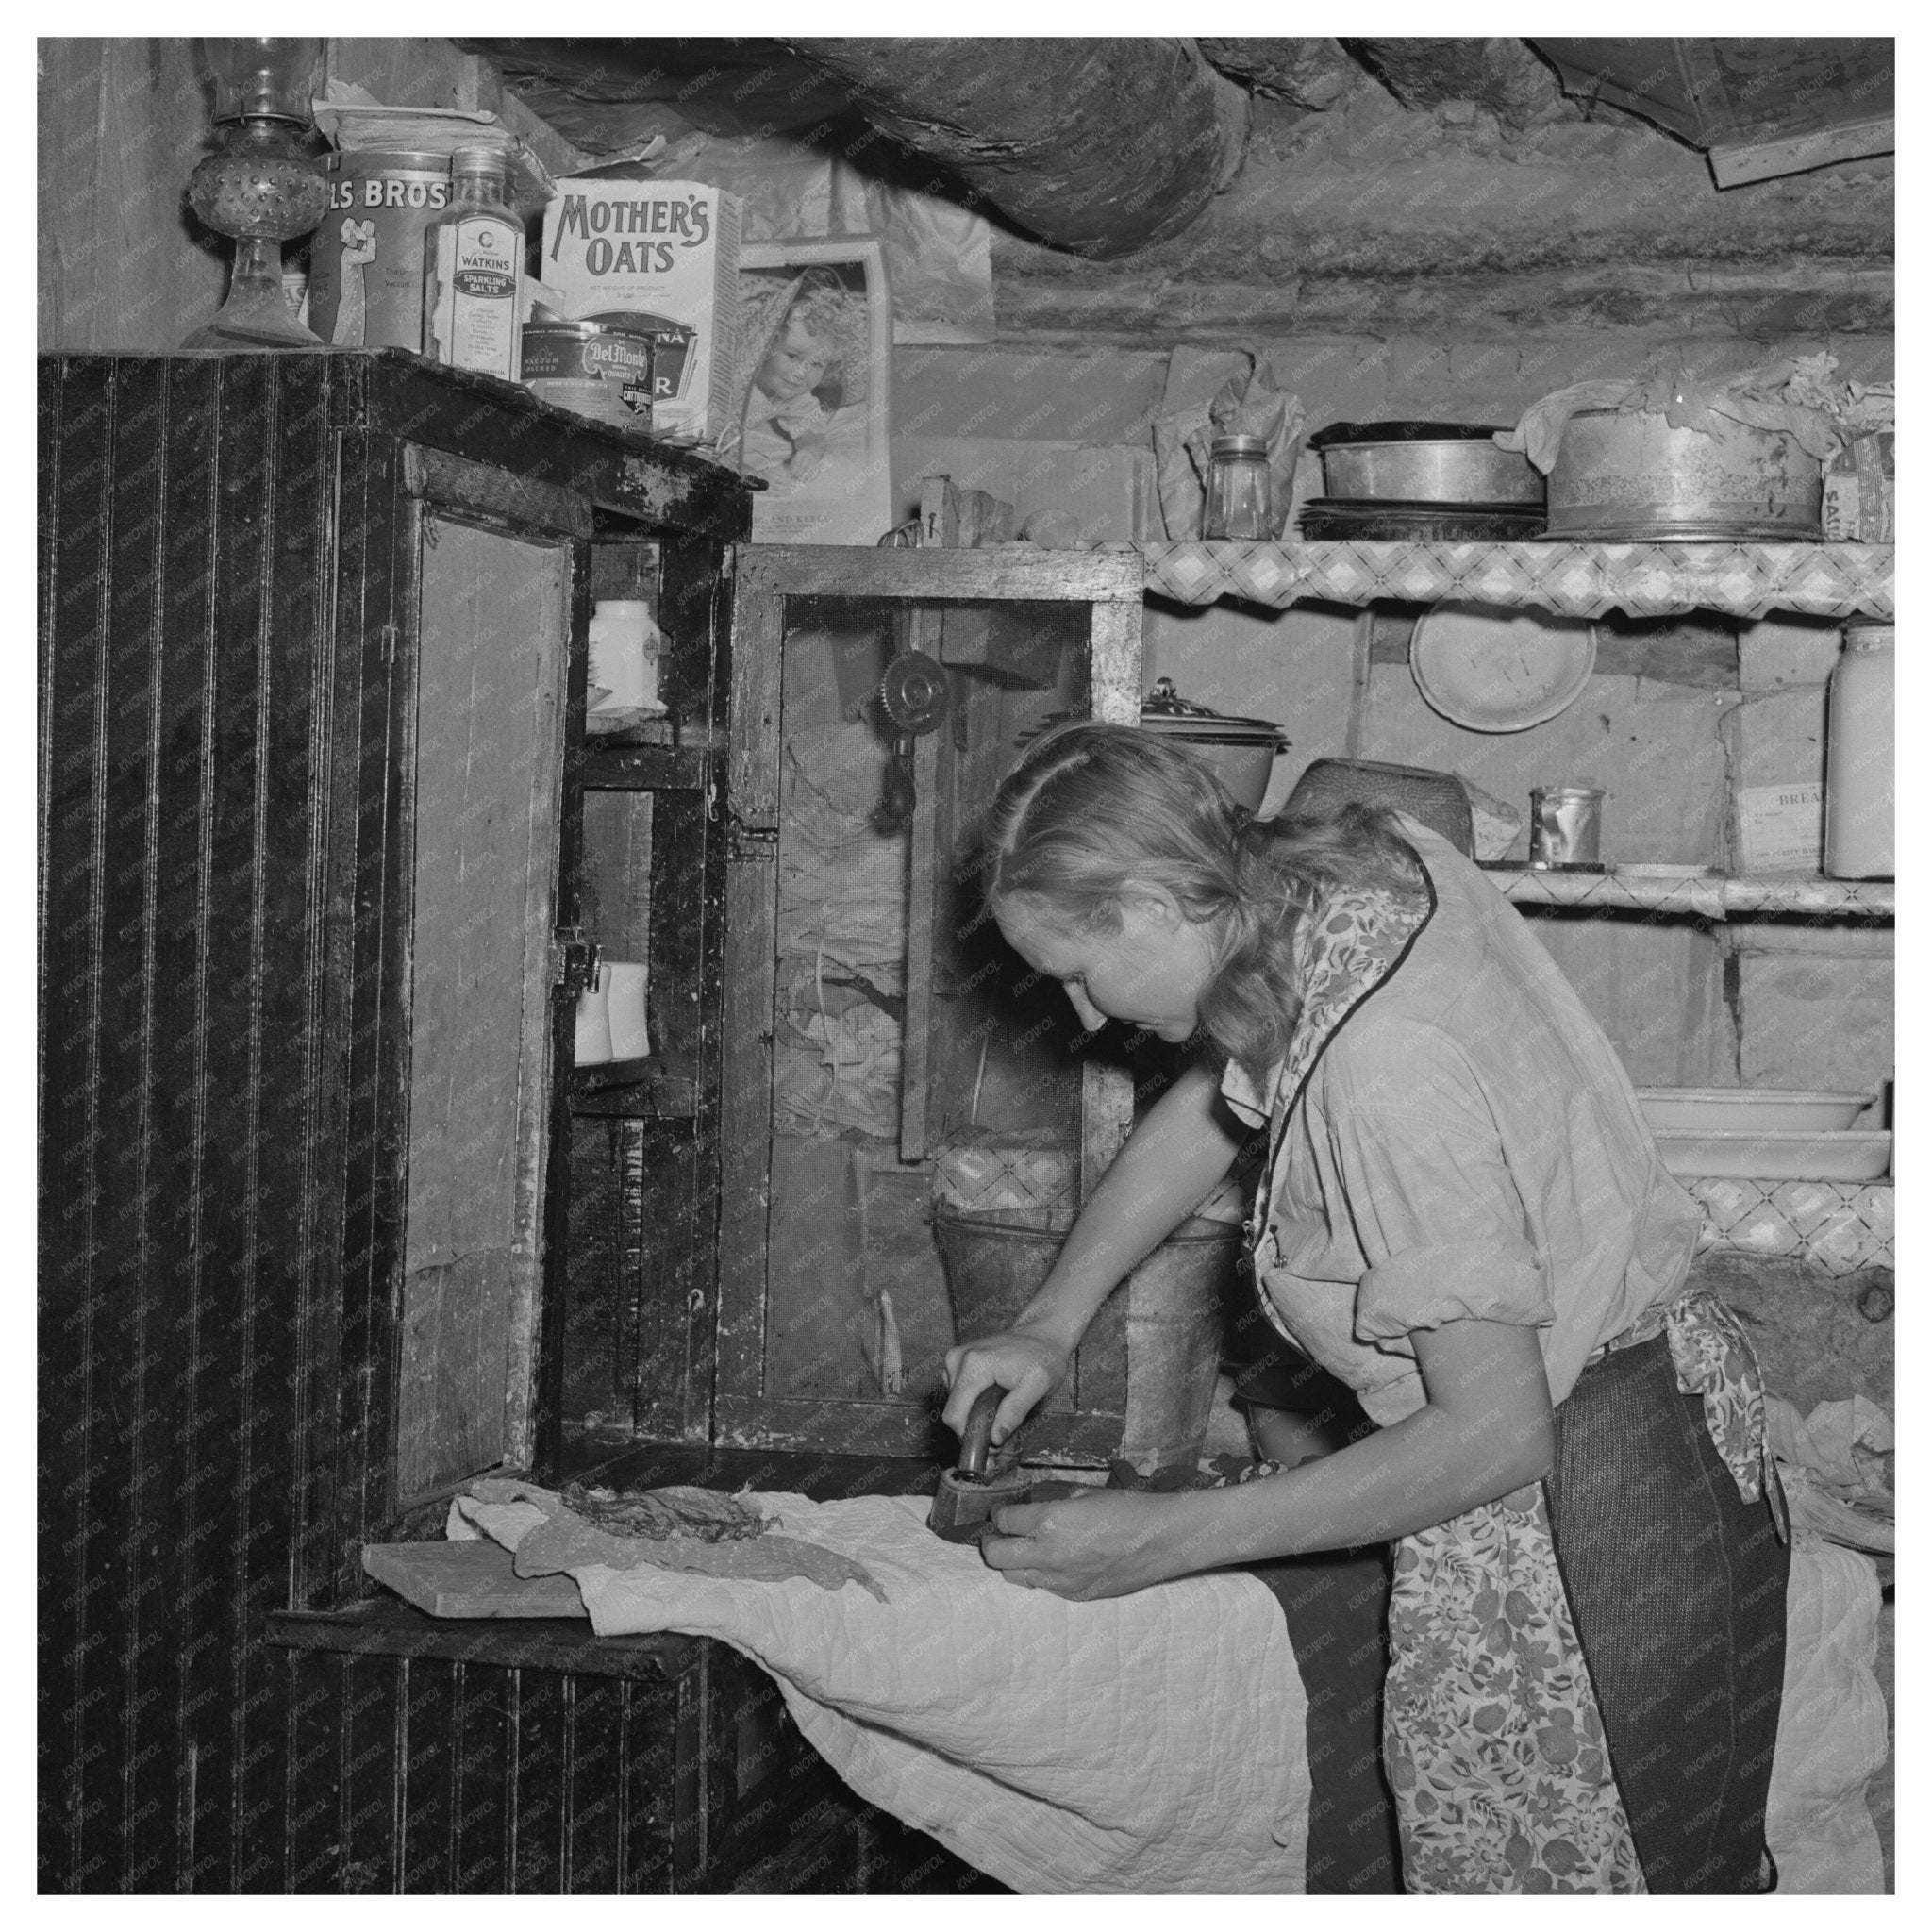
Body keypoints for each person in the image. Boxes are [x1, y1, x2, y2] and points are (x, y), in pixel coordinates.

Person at [942, 723, 1790, 1896]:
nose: (1082, 1018)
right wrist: (1052, 1314)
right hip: (1639, 1436)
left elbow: (1494, 1433)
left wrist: (1162, 1538)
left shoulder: (1384, 1070)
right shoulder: (1347, 864)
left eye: (1080, 974)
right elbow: (1228, 1079)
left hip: (1589, 1507)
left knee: (1617, 1874)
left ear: (1154, 897)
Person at [734, 275, 867, 489]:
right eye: (792, 356)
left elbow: (811, 430)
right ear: (764, 347)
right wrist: (749, 476)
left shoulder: (793, 391)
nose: (801, 373)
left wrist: (809, 451)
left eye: (817, 364)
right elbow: (706, 451)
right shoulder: (736, 385)